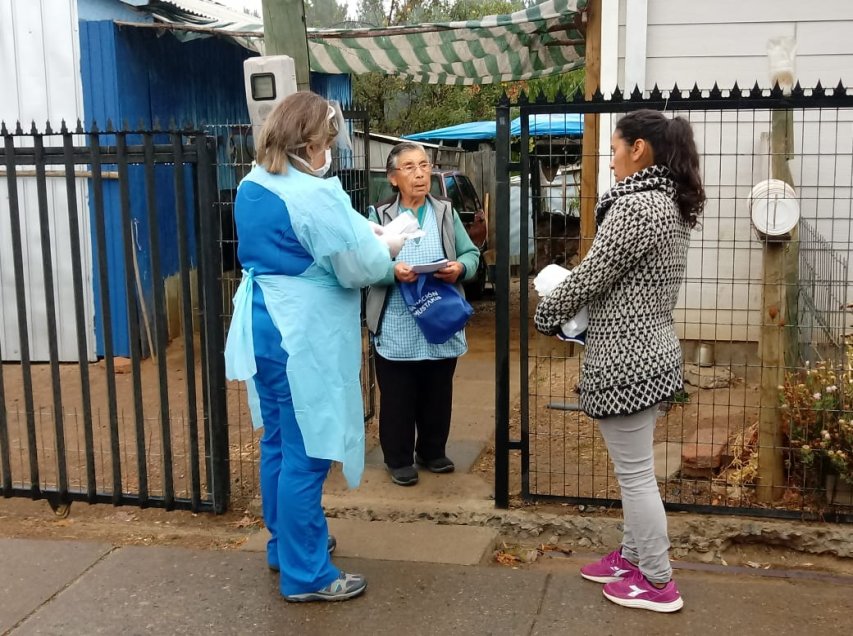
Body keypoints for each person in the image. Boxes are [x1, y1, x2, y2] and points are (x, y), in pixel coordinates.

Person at [224, 92, 401, 603]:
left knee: (278, 439)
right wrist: (387, 247)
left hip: (262, 323)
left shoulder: (252, 183)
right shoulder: (315, 194)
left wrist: (357, 234)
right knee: (309, 451)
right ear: (308, 143)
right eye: (326, 143)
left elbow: (300, 242)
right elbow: (358, 267)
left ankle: (286, 546)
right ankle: (308, 573)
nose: (330, 152)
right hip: (300, 333)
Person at [534, 109, 705, 613]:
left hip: (628, 361)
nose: (610, 161)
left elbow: (590, 277)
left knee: (635, 477)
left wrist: (547, 314)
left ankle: (657, 581)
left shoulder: (637, 208)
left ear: (639, 150)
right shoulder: (667, 202)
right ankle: (633, 557)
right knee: (636, 471)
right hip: (651, 354)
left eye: (613, 150)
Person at [366, 142, 481, 486]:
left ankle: (431, 450)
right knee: (398, 394)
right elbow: (368, 265)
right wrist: (392, 272)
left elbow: (471, 254)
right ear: (393, 178)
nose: (420, 173)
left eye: (424, 165)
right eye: (410, 167)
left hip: (440, 316)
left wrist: (459, 268)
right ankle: (398, 457)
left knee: (437, 389)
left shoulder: (445, 211)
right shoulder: (379, 215)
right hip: (397, 320)